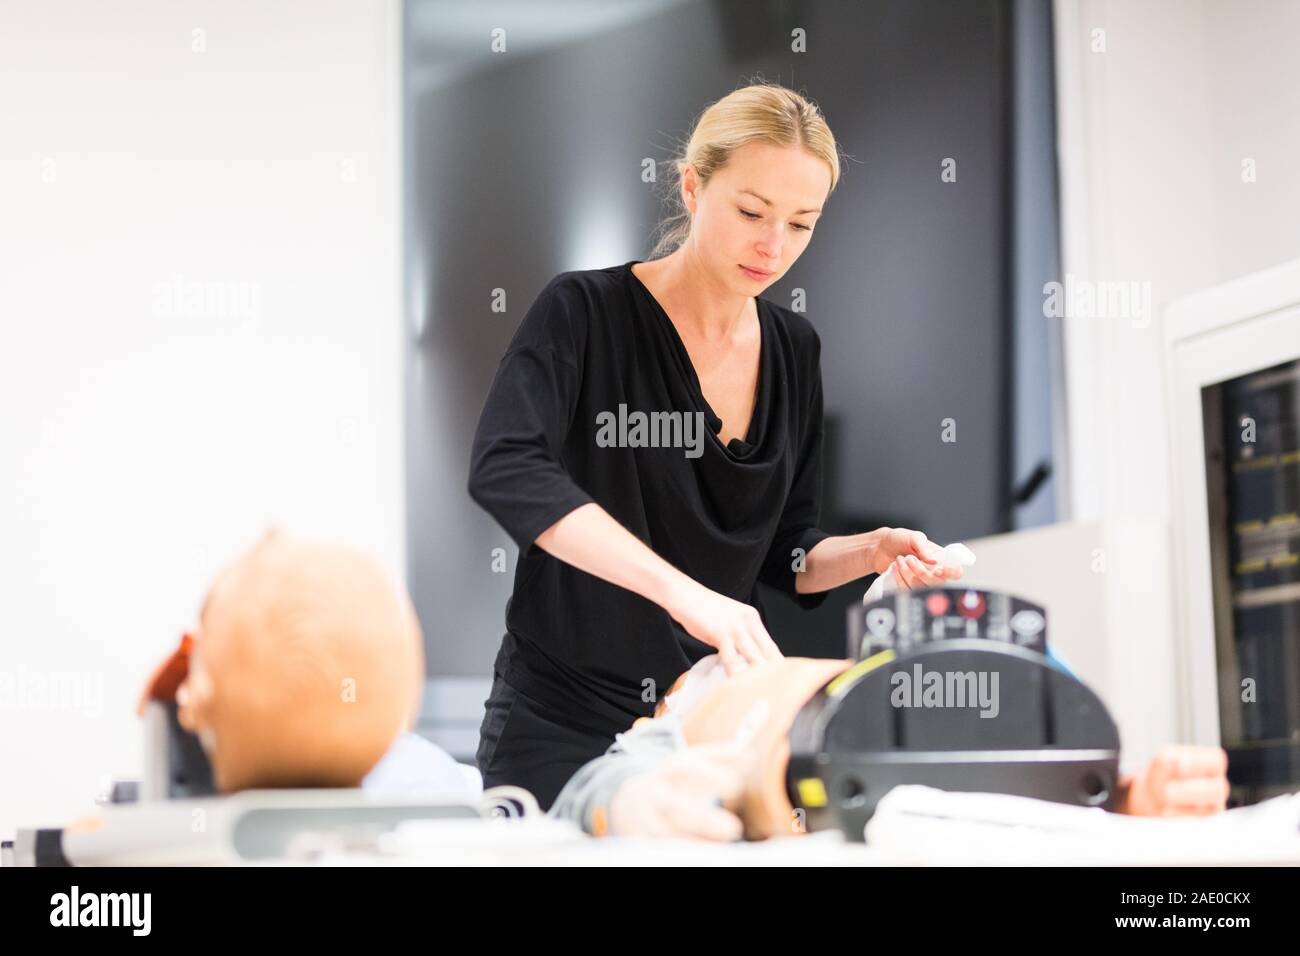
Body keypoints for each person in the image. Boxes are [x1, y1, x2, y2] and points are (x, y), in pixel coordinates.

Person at [466, 82, 964, 811]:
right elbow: (506, 468)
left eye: (802, 223)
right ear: (693, 186)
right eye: (752, 212)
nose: (773, 246)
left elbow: (785, 553)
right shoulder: (585, 314)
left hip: (699, 728)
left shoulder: (794, 350)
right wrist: (686, 595)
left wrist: (871, 553)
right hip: (557, 726)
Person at [548, 654, 1232, 841]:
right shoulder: (681, 724)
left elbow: (1002, 789)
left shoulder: (884, 702)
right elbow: (588, 795)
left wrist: (1133, 803)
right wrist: (628, 804)